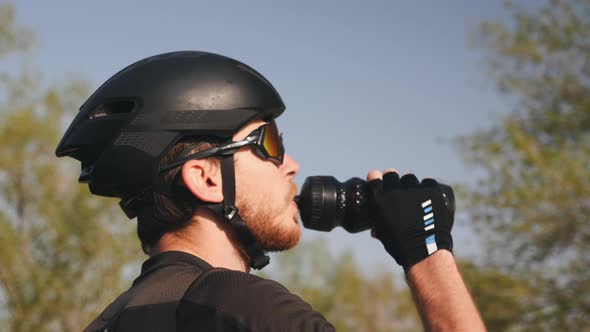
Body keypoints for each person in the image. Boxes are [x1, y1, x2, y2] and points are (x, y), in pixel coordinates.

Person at [56, 51, 485, 331]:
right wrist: (425, 249)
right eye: (270, 145)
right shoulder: (235, 306)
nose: (292, 165)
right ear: (204, 178)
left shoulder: (112, 320)